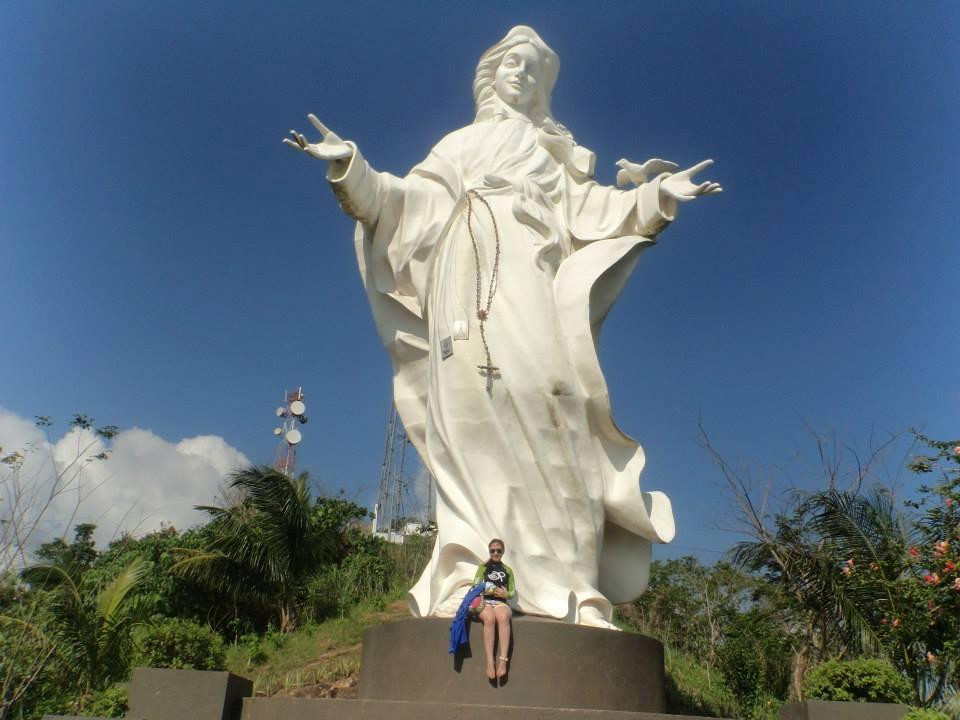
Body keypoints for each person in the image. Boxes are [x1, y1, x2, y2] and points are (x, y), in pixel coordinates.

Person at [284, 26, 720, 627]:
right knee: (466, 413)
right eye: (513, 64)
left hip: (530, 278)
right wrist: (352, 170)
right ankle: (471, 568)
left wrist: (656, 197)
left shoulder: (551, 156)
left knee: (554, 401)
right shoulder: (461, 144)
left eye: (535, 72)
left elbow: (596, 211)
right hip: (462, 282)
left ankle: (569, 585)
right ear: (492, 73)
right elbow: (404, 202)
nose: (522, 75)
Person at [474, 539, 515, 680]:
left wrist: (506, 594)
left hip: (500, 602)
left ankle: (503, 661)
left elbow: (512, 592)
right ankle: (490, 662)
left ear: (503, 551)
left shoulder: (508, 570)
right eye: (492, 550)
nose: (495, 553)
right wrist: (486, 591)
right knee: (489, 619)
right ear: (489, 551)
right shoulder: (483, 568)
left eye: (498, 550)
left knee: (503, 617)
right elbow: (475, 586)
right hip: (484, 601)